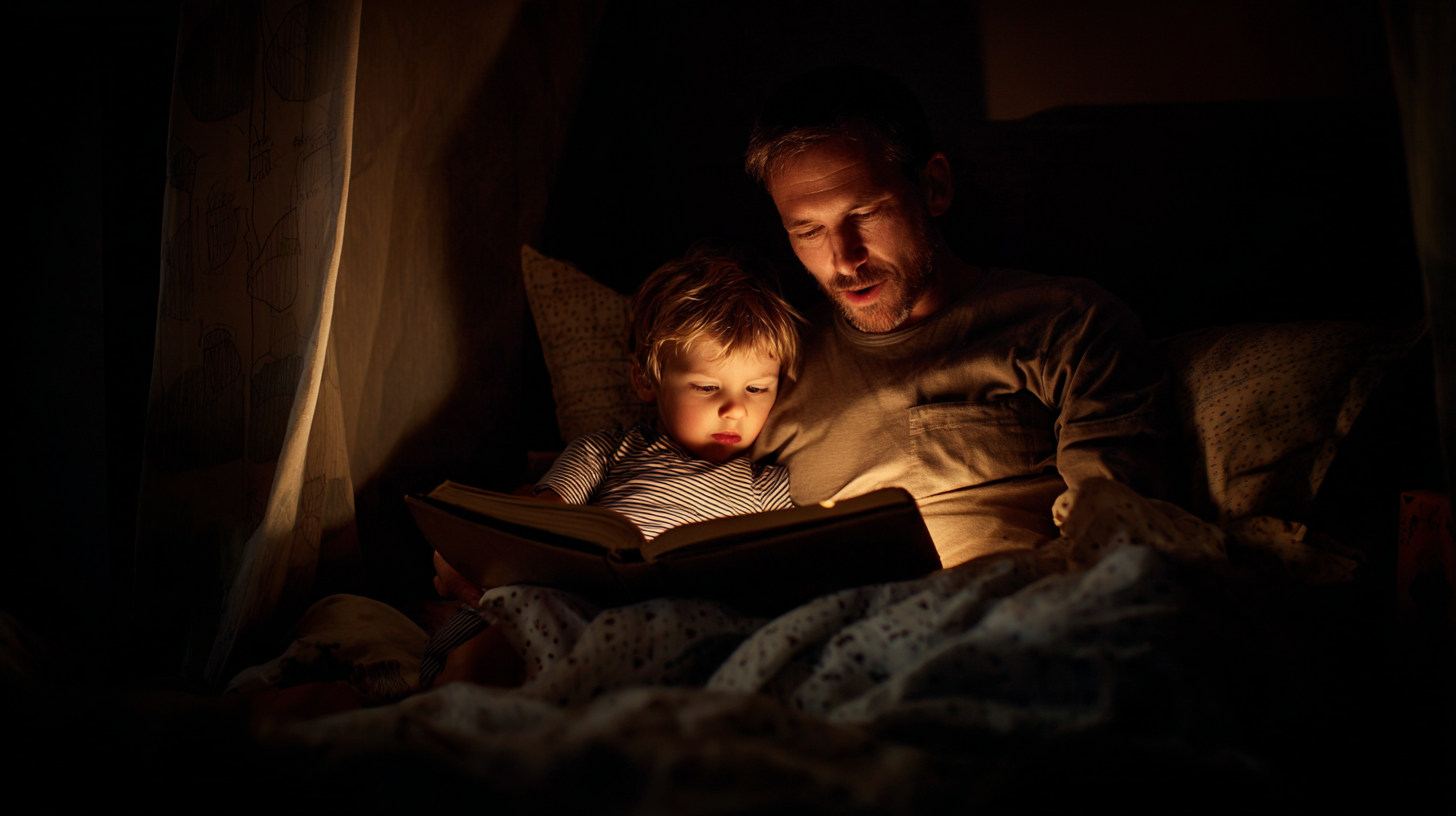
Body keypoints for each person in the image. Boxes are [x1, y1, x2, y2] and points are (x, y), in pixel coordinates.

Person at [747, 64, 1169, 568]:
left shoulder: (1066, 324)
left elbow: (1120, 537)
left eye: (864, 214)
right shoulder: (764, 368)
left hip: (1020, 616)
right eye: (809, 231)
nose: (844, 259)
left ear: (934, 187)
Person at [424, 243, 803, 686]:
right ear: (645, 378)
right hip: (568, 613)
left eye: (757, 389)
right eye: (706, 387)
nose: (734, 410)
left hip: (673, 635)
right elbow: (541, 521)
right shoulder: (606, 451)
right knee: (510, 625)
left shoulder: (769, 486)